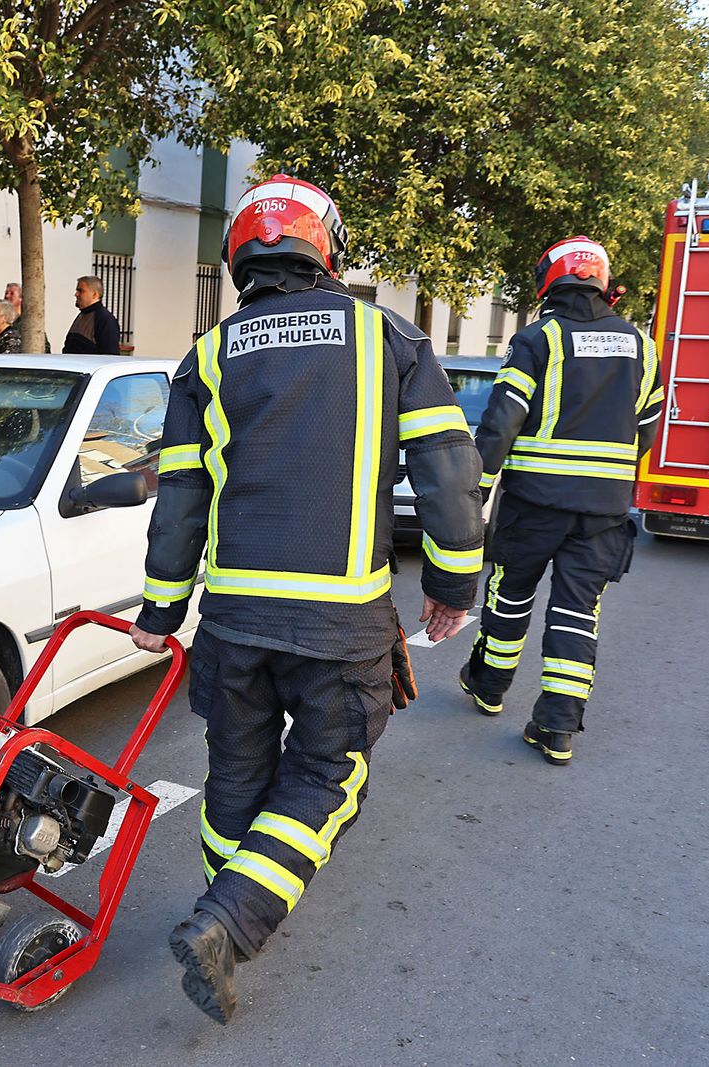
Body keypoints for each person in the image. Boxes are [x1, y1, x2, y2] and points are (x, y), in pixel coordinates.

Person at [129, 175, 483, 1024]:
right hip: (341, 621)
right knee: (330, 774)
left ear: (239, 257)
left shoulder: (206, 355)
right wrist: (451, 585)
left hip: (235, 622)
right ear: (327, 246)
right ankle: (229, 919)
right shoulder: (388, 337)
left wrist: (159, 610)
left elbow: (180, 497)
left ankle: (218, 905)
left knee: (237, 771)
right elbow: (447, 468)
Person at [458, 236, 662, 767]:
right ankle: (557, 729)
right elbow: (649, 424)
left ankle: (489, 687)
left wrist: (476, 492)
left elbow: (501, 422)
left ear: (549, 280)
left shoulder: (538, 339)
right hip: (604, 511)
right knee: (578, 612)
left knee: (510, 596)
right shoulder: (641, 345)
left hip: (534, 503)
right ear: (601, 281)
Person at [63, 275, 120, 355]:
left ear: (94, 294)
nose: (76, 294)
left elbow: (110, 356)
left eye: (81, 291)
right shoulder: (82, 315)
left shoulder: (105, 319)